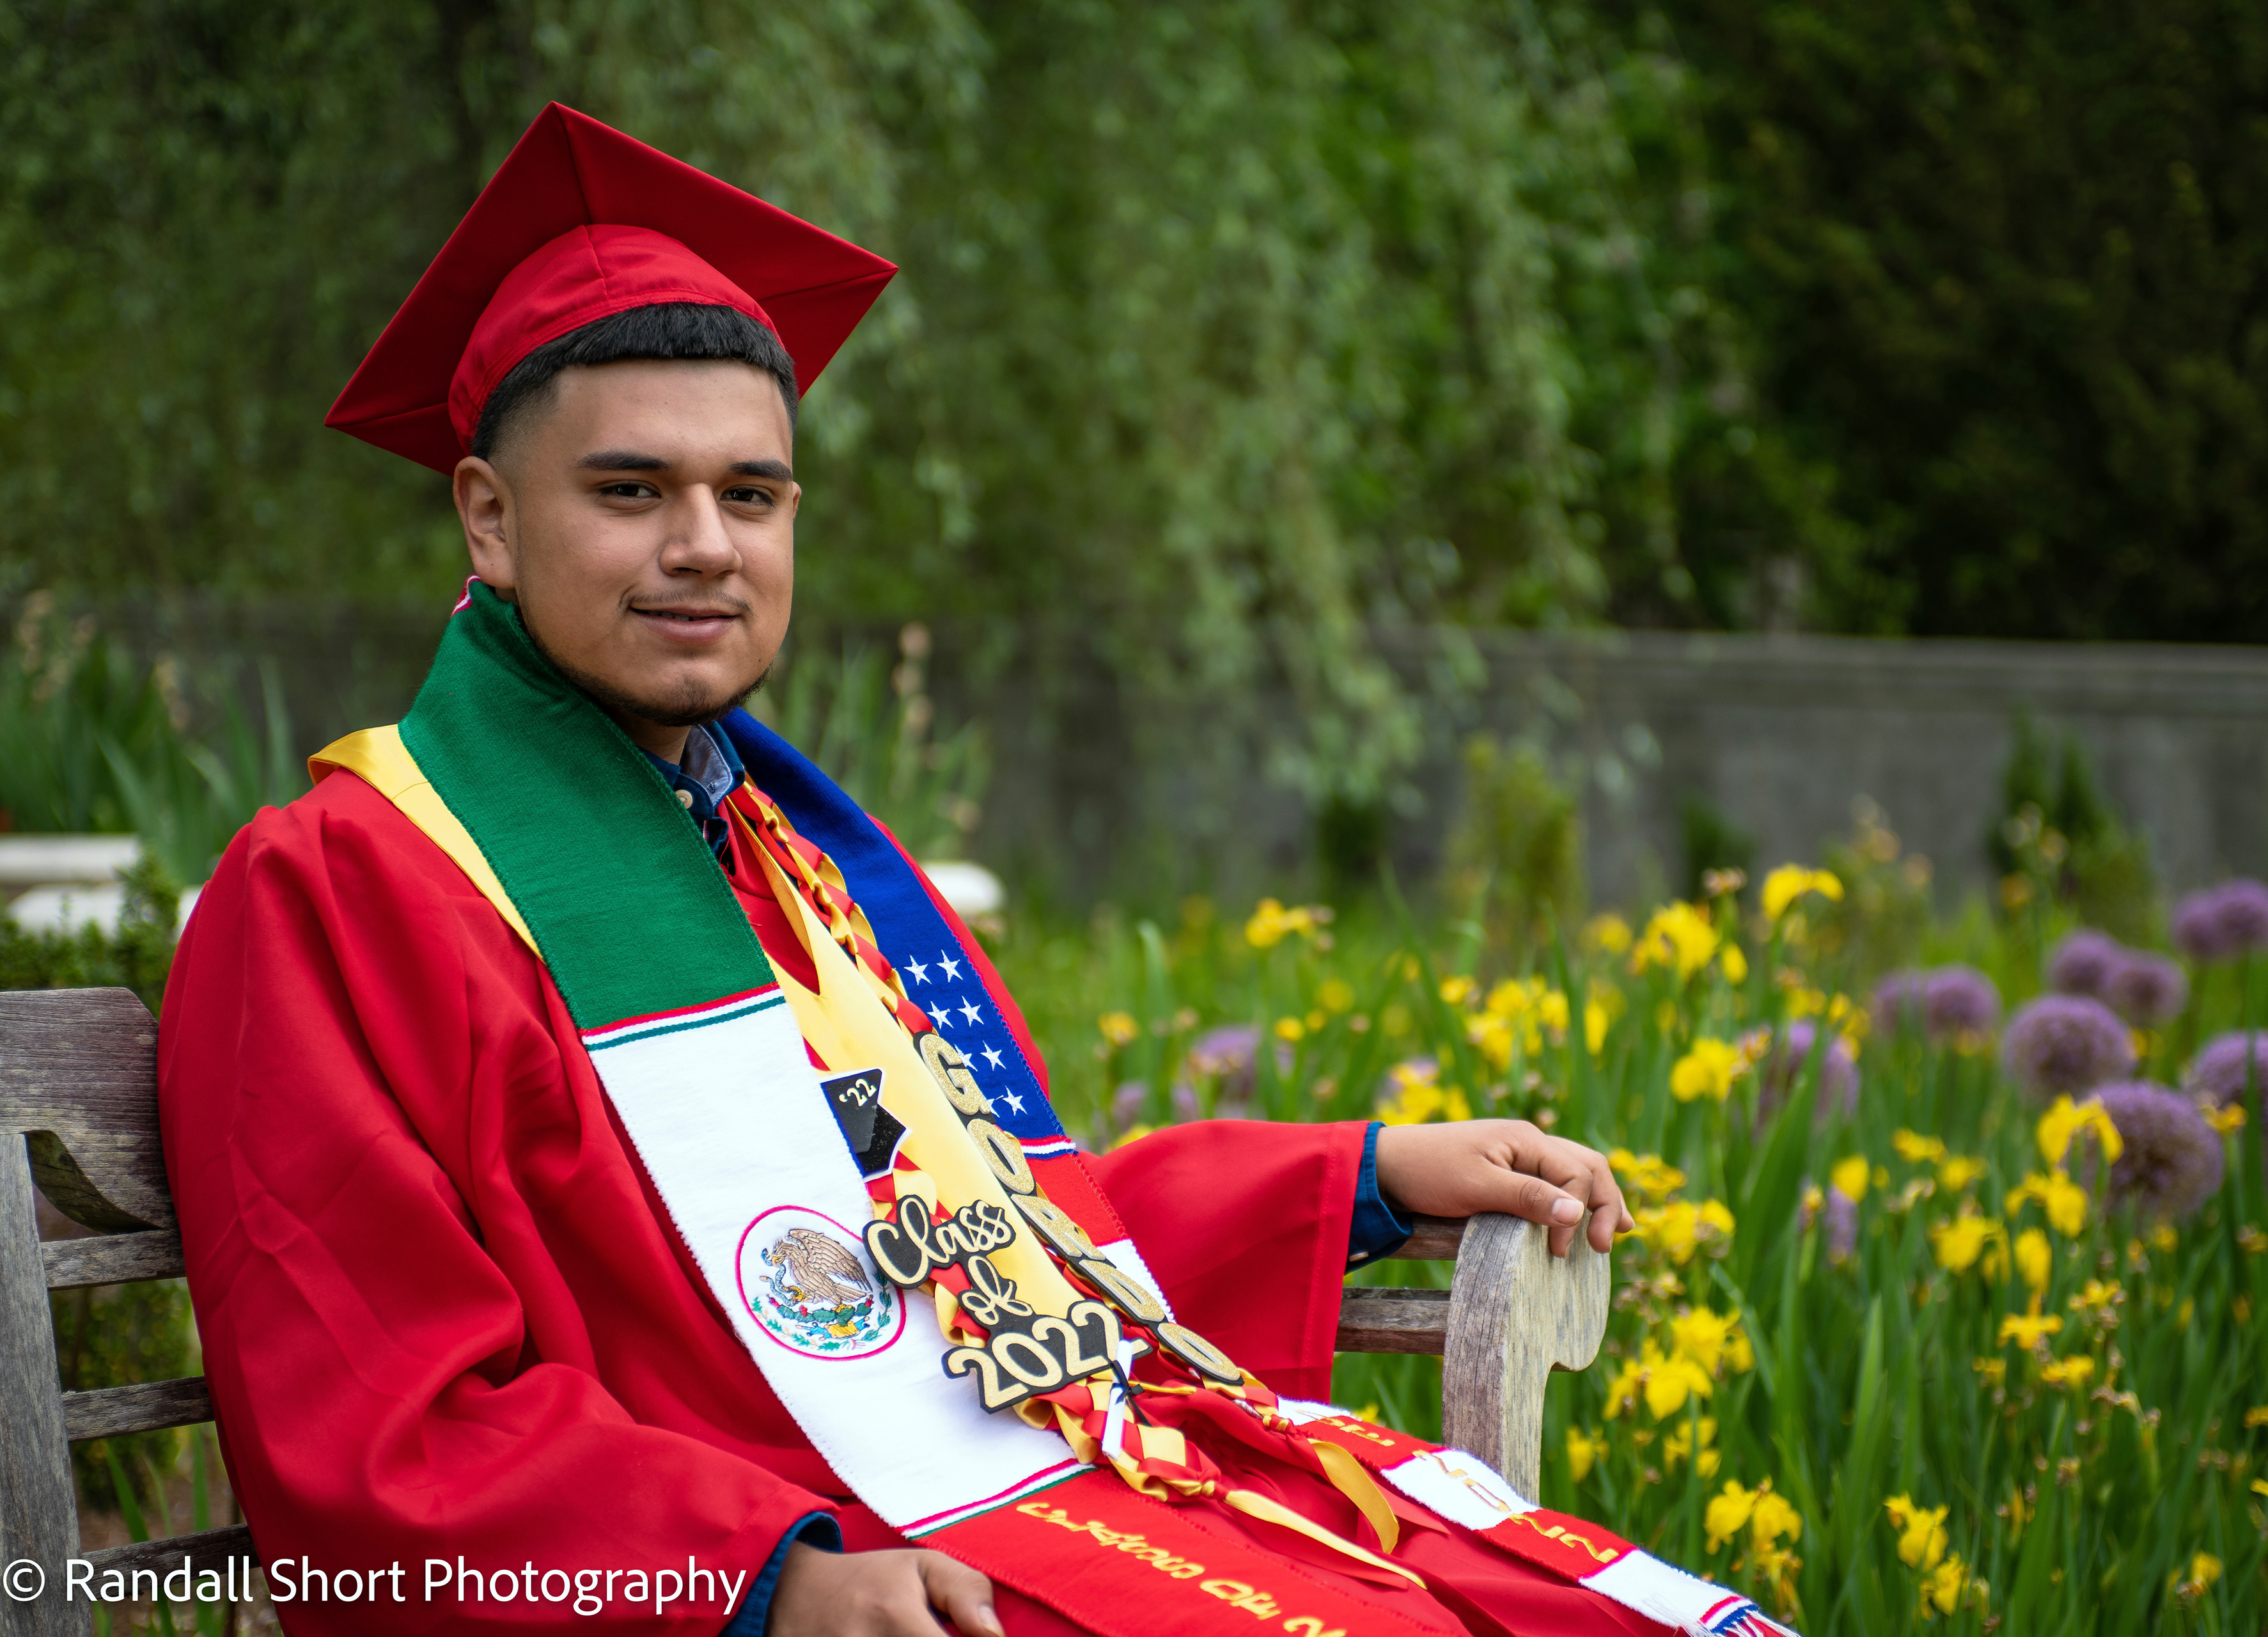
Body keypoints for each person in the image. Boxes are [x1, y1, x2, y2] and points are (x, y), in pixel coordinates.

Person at [158, 105, 1790, 1637]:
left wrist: (1360, 1177)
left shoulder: (779, 861)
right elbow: (375, 1425)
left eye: (750, 493)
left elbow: (961, 1237)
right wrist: (768, 1582)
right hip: (812, 1566)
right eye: (630, 490)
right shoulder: (343, 887)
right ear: (489, 519)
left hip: (1010, 1507)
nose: (705, 543)